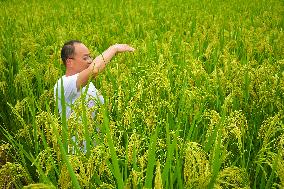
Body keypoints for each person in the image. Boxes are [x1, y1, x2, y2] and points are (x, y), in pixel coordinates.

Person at [54, 40, 135, 119]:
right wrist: (114, 48)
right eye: (85, 58)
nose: (90, 61)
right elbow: (94, 69)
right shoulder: (63, 84)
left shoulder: (88, 84)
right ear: (69, 62)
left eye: (90, 56)